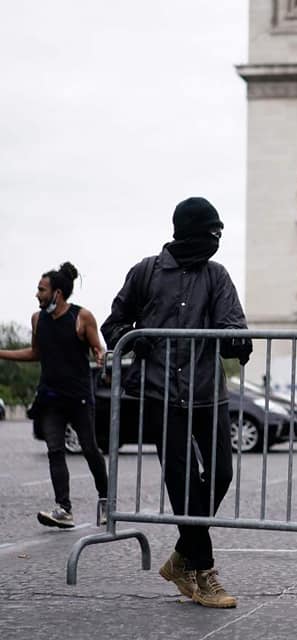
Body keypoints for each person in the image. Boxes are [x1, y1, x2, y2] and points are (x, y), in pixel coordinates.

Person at [101, 196, 252, 609]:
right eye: (211, 232)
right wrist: (136, 337)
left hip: (208, 394)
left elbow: (231, 321)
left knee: (220, 474)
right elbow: (113, 324)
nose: (216, 240)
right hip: (159, 395)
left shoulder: (217, 275)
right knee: (183, 483)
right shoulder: (145, 272)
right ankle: (202, 572)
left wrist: (238, 339)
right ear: (188, 231)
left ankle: (181, 555)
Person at [0, 263, 108, 529]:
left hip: (79, 395)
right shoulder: (38, 319)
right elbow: (36, 353)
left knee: (90, 448)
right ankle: (64, 508)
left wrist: (100, 355)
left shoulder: (82, 317)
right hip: (50, 397)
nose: (37, 294)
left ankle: (107, 501)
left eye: (41, 289)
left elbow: (98, 348)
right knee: (54, 450)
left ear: (57, 293)